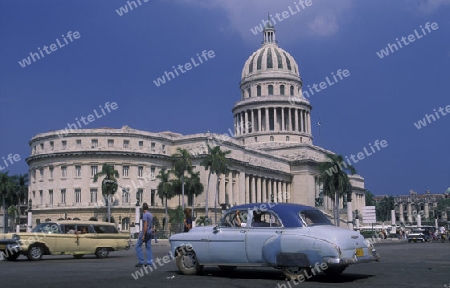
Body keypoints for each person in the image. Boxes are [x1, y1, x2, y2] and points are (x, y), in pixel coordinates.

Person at [135, 202, 154, 267]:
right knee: (148, 247)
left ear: (143, 208)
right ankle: (150, 262)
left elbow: (145, 225)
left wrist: (143, 234)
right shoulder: (150, 214)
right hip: (150, 232)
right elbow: (151, 224)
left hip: (145, 232)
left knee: (138, 246)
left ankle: (141, 261)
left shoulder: (145, 214)